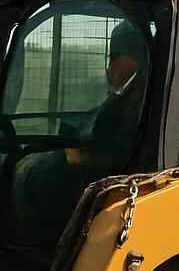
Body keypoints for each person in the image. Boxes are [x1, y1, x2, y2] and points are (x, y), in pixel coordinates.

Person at [11, 20, 150, 240]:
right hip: (91, 178)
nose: (109, 67)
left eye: (115, 58)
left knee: (32, 177)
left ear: (136, 60)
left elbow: (129, 156)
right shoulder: (120, 99)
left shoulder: (145, 103)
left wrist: (81, 154)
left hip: (112, 191)